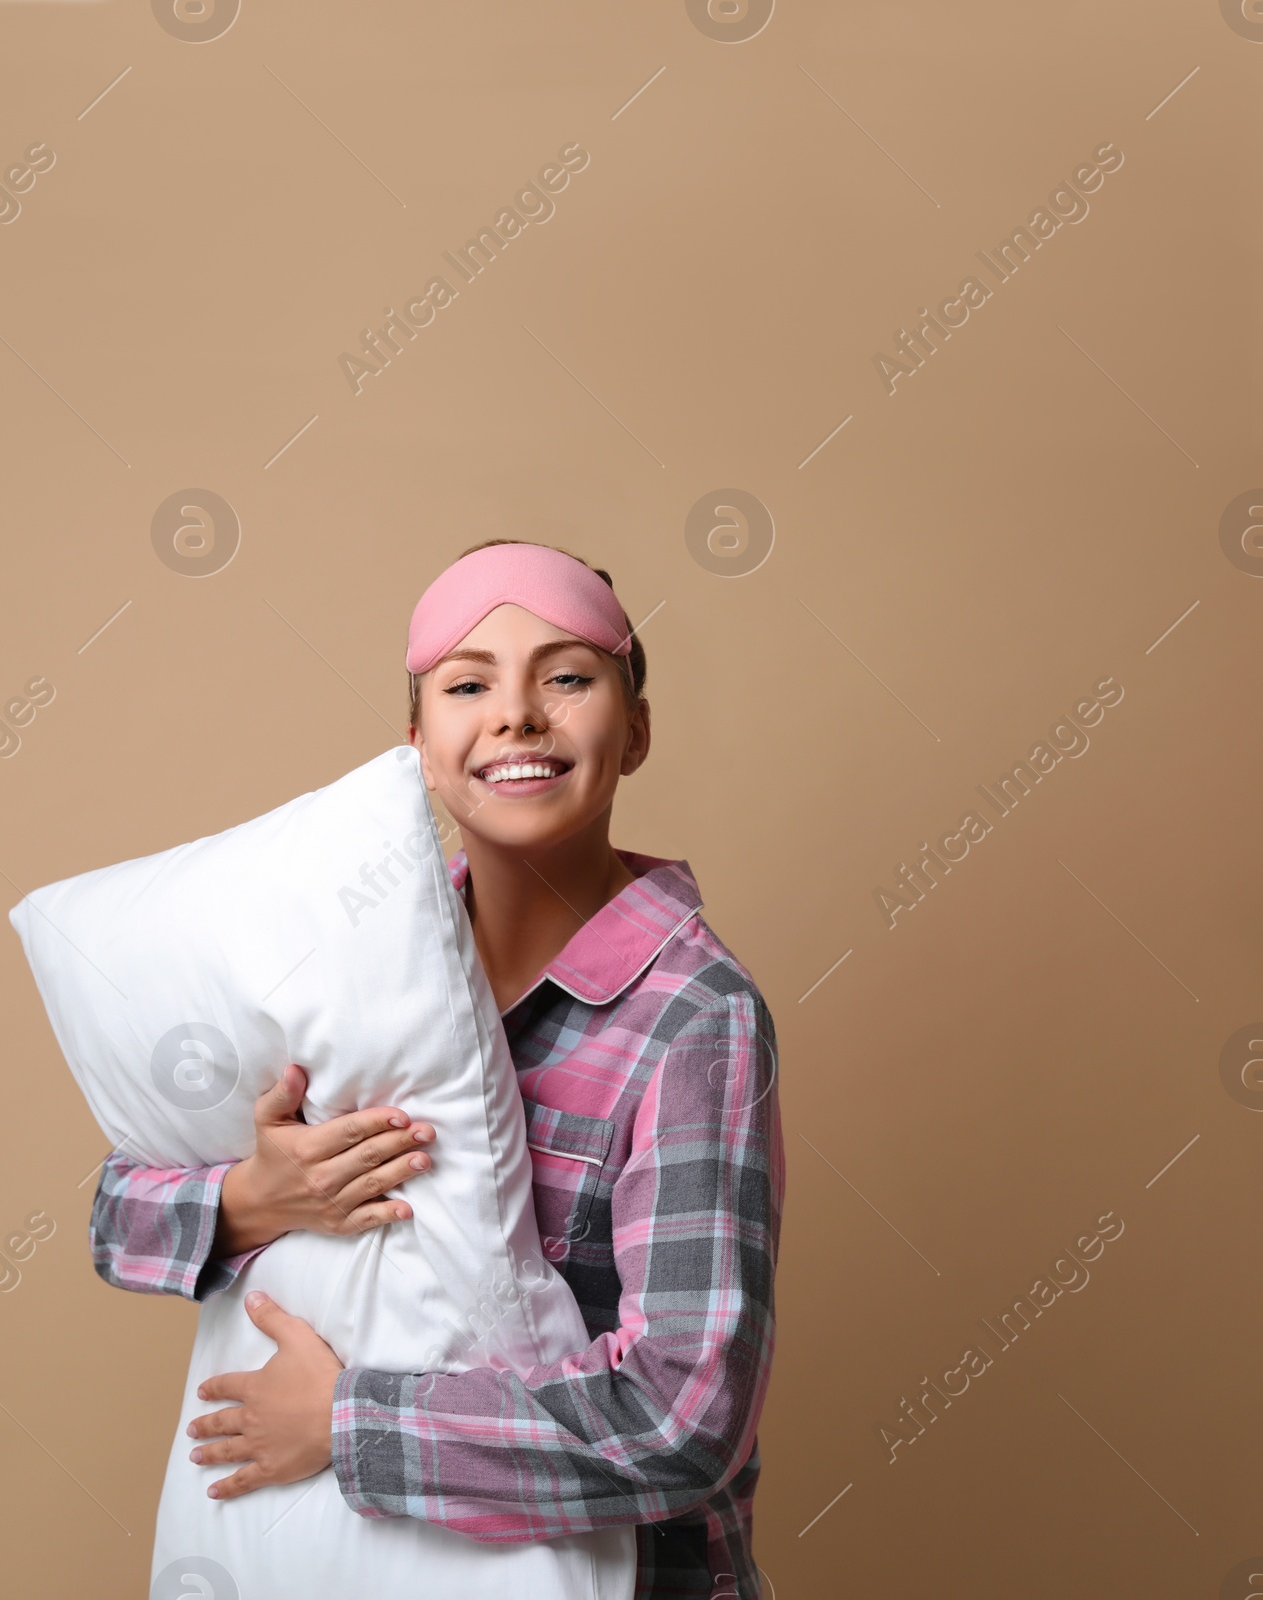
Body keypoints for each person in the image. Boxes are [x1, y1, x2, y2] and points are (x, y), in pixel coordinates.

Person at [90, 539, 785, 1600]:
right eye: (468, 683)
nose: (515, 715)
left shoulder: (691, 1016)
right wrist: (251, 1200)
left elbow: (684, 1419)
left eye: (565, 675)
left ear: (634, 730)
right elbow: (113, 1220)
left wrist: (348, 1422)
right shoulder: (341, 965)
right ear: (418, 744)